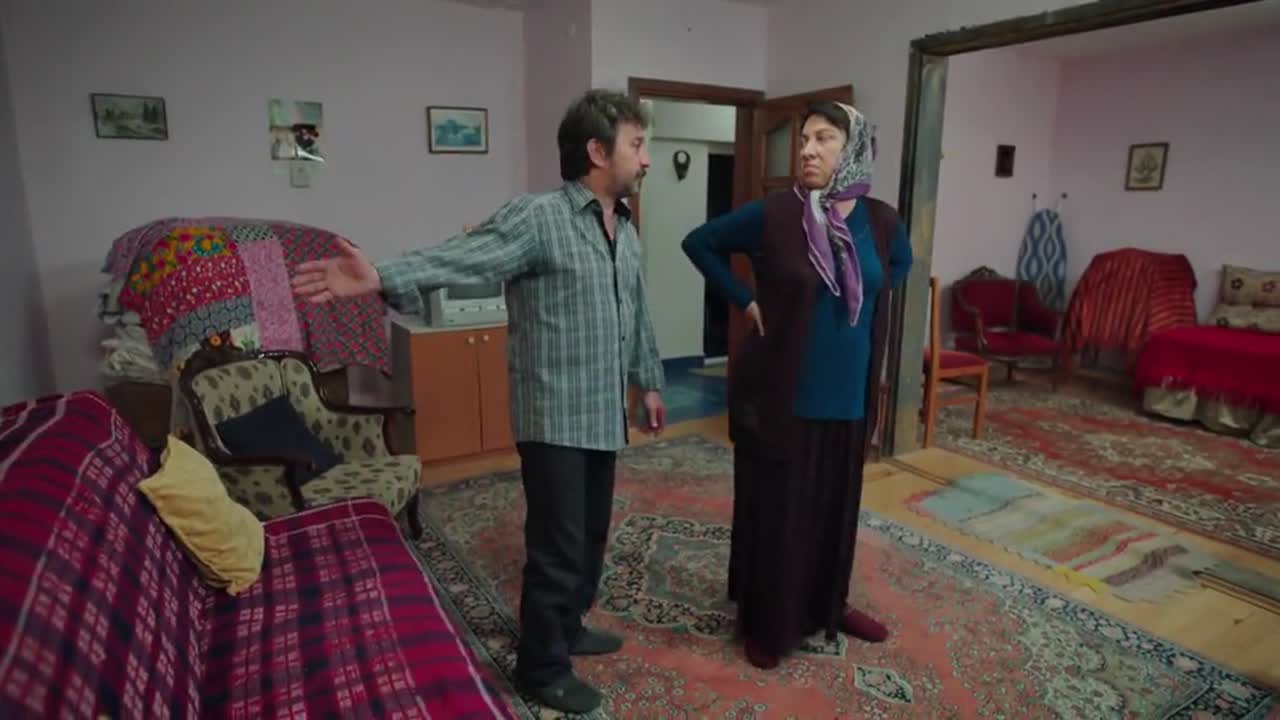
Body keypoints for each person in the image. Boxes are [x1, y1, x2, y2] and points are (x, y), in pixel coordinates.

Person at [291, 89, 667, 714]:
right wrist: (380, 274)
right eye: (637, 144)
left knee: (592, 534)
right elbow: (463, 255)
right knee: (557, 545)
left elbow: (637, 309)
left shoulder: (623, 228)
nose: (646, 157)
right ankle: (542, 668)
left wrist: (647, 381)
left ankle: (568, 626)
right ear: (598, 151)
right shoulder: (539, 218)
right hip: (554, 415)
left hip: (604, 412)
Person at [681, 102, 912, 669]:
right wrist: (746, 299)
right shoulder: (776, 214)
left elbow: (897, 268)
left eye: (824, 138)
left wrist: (856, 294)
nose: (807, 150)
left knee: (836, 510)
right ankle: (768, 621)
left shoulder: (882, 221)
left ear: (853, 148)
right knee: (779, 513)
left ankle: (829, 605)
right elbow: (700, 243)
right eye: (804, 139)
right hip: (784, 395)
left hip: (850, 395)